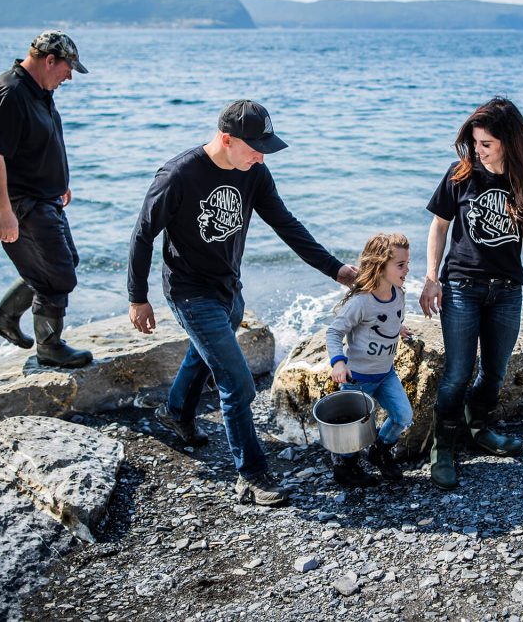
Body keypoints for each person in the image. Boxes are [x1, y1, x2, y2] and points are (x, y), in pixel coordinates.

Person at [127, 99, 357, 507]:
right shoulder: (178, 175)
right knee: (237, 380)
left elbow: (287, 224)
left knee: (207, 353)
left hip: (227, 287)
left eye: (265, 147)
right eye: (254, 147)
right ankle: (251, 474)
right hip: (188, 290)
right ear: (226, 138)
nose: (261, 156)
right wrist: (138, 298)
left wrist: (335, 270)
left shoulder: (255, 173)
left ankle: (176, 412)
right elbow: (143, 235)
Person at [418, 97, 523, 490]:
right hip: (462, 286)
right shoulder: (460, 175)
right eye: (475, 143)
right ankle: (442, 446)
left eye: (486, 144)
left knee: (494, 373)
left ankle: (477, 427)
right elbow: (439, 227)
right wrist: (431, 277)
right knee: (459, 372)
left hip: (508, 290)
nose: (478, 151)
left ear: (508, 142)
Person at [0, 30, 93, 368]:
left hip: (45, 197)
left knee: (63, 263)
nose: (69, 76)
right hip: (22, 203)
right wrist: (3, 212)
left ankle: (3, 318)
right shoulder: (10, 93)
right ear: (49, 60)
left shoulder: (39, 90)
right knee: (57, 277)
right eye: (68, 68)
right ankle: (49, 348)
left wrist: (61, 179)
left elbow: (44, 138)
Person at [326, 233, 414, 487]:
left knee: (403, 415)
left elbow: (389, 318)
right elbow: (334, 332)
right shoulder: (361, 302)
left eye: (407, 263)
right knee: (353, 432)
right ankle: (346, 468)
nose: (406, 269)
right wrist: (338, 362)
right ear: (379, 266)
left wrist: (399, 328)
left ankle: (379, 450)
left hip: (386, 374)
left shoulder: (398, 294)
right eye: (400, 265)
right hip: (357, 380)